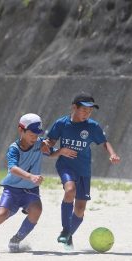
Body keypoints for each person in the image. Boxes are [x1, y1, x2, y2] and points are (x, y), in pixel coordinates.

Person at [45, 93, 120, 249]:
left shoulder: (92, 126)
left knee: (80, 209)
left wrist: (112, 154)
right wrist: (55, 149)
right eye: (84, 110)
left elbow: (104, 142)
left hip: (84, 170)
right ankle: (66, 230)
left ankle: (68, 235)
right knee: (70, 190)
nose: (87, 113)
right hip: (66, 166)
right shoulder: (61, 124)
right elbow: (49, 144)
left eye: (90, 111)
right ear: (74, 107)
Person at [0, 113, 51, 253]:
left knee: (36, 210)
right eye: (32, 132)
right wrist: (30, 176)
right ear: (21, 130)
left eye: (37, 133)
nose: (35, 136)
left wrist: (61, 151)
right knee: (1, 214)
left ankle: (16, 240)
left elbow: (50, 151)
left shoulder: (39, 144)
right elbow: (12, 168)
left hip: (30, 190)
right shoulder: (14, 148)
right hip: (12, 190)